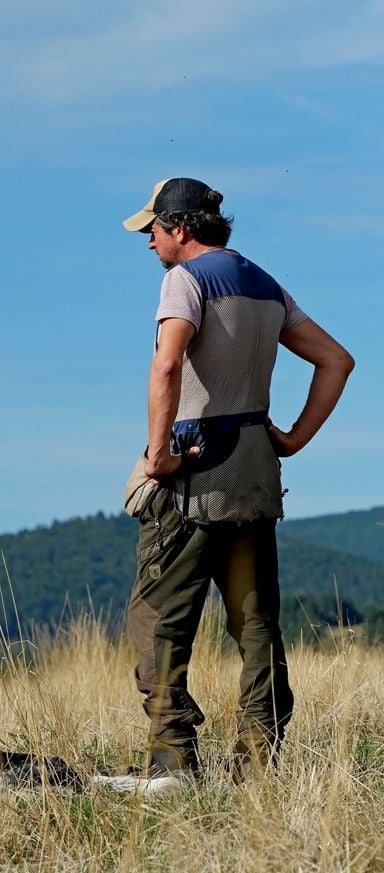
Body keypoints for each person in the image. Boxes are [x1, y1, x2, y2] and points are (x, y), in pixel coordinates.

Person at [122, 177, 354, 781]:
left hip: (195, 471)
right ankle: (258, 759)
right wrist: (293, 438)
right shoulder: (264, 283)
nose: (148, 241)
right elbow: (337, 360)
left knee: (158, 616)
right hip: (255, 467)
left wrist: (157, 455)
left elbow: (167, 362)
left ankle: (172, 759)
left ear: (180, 229)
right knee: (255, 623)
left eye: (154, 228)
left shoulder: (184, 280)